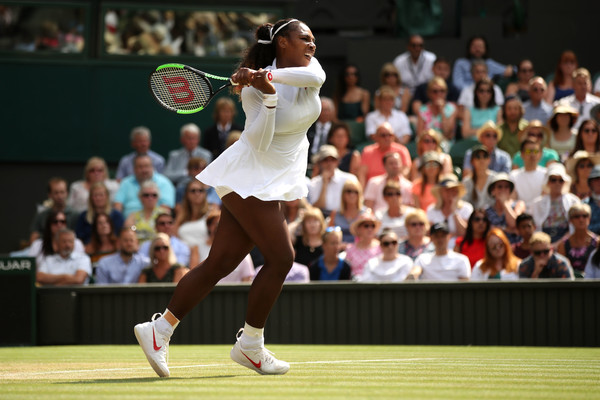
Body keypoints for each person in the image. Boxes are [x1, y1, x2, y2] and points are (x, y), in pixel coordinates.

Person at [134, 17, 325, 378]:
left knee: (220, 263)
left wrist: (264, 77)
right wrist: (265, 94)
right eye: (304, 38)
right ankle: (251, 344)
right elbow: (261, 143)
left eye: (312, 39)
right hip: (248, 176)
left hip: (270, 179)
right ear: (282, 43)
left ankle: (159, 331)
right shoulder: (253, 91)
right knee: (282, 257)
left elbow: (314, 80)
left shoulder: (308, 68)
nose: (312, 44)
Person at [530, 163, 580, 244]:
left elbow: (575, 226)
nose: (557, 183)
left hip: (567, 241)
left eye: (561, 180)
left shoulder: (573, 201)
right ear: (548, 181)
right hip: (543, 242)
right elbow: (535, 228)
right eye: (553, 180)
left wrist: (560, 243)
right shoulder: (537, 203)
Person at [307, 145, 359, 217]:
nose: (329, 163)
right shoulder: (314, 183)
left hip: (345, 217)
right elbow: (316, 208)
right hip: (322, 219)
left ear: (337, 161)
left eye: (333, 160)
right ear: (319, 163)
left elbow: (357, 204)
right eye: (325, 160)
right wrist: (324, 183)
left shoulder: (350, 179)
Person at [358, 121, 412, 187]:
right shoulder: (367, 151)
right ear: (376, 137)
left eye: (390, 135)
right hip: (374, 188)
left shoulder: (402, 150)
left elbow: (406, 171)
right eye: (383, 135)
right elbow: (362, 174)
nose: (387, 138)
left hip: (395, 188)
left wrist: (394, 185)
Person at [426, 174, 473, 247]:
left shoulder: (466, 208)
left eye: (453, 190)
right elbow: (431, 234)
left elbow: (465, 233)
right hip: (437, 247)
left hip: (460, 247)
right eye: (447, 190)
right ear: (441, 192)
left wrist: (454, 212)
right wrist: (452, 235)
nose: (450, 193)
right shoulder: (432, 209)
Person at [30, 177, 78, 243]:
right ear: (49, 195)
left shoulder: (76, 215)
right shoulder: (41, 216)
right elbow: (34, 237)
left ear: (67, 193)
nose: (60, 196)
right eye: (56, 193)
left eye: (62, 192)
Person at [556, 203, 597, 278]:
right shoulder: (563, 244)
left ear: (589, 219)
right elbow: (561, 269)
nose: (581, 219)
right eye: (577, 216)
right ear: (570, 220)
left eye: (585, 216)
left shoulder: (597, 242)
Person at [485, 173, 525, 244]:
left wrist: (504, 203)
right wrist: (508, 229)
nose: (503, 190)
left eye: (506, 187)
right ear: (493, 191)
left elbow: (513, 224)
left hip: (514, 247)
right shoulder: (487, 211)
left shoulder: (518, 204)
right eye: (499, 187)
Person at [415, 77, 457, 142]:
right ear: (429, 93)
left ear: (446, 93)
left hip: (445, 143)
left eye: (442, 91)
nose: (439, 94)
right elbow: (420, 135)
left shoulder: (452, 109)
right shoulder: (423, 110)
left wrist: (442, 111)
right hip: (427, 142)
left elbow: (448, 134)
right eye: (435, 91)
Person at [509, 139, 547, 210]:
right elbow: (512, 199)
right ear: (522, 154)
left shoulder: (547, 174)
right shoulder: (513, 175)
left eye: (535, 151)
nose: (532, 154)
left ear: (540, 154)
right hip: (520, 214)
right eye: (528, 151)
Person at [174, 180, 211, 251]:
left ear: (205, 193)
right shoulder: (181, 215)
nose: (197, 193)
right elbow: (174, 236)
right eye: (193, 191)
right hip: (185, 255)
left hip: (205, 254)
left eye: (200, 190)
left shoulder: (211, 213)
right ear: (187, 194)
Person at [328, 180, 367, 245]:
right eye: (349, 191)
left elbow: (369, 236)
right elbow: (330, 235)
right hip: (338, 248)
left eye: (355, 192)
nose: (352, 194)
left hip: (359, 249)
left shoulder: (366, 213)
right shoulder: (335, 213)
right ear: (343, 194)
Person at [345, 211, 382, 277]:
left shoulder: (381, 247)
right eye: (366, 226)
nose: (370, 229)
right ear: (358, 229)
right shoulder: (350, 249)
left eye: (373, 226)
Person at [461, 145, 496, 209]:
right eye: (478, 157)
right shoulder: (467, 181)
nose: (481, 160)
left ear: (489, 160)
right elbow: (463, 203)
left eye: (485, 156)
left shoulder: (495, 179)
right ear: (472, 162)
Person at [585, 165, 600, 235]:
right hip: (591, 243)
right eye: (596, 179)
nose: (599, 182)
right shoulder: (584, 204)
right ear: (590, 182)